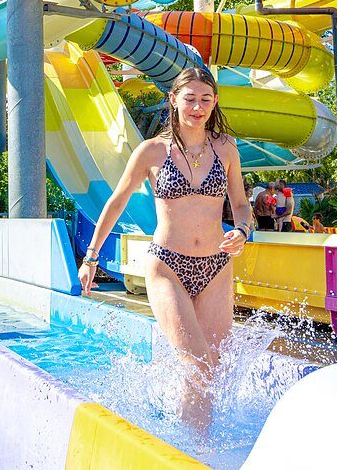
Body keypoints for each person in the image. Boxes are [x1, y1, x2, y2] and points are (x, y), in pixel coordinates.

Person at [78, 68, 253, 429]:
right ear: (174, 100)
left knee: (210, 368)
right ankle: (191, 449)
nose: (198, 107)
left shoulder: (226, 148)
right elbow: (116, 201)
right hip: (167, 266)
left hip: (216, 266)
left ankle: (193, 445)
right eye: (190, 99)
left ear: (215, 101)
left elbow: (240, 203)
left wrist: (243, 229)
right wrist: (91, 256)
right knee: (197, 362)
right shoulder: (152, 151)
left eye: (206, 99)